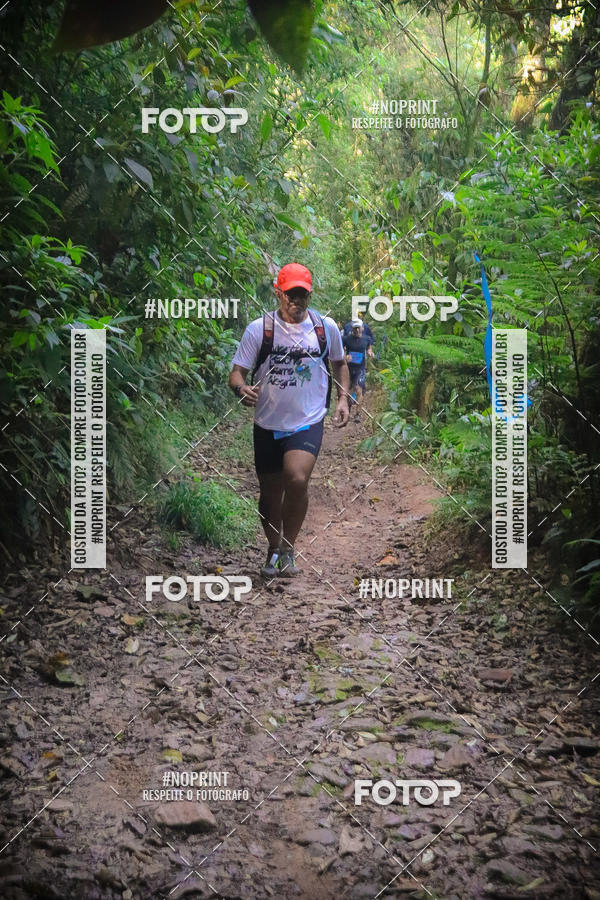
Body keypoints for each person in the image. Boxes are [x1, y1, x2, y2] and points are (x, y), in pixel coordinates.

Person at [229, 263, 350, 578]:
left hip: (307, 420)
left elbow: (339, 364)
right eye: (290, 296)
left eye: (302, 296)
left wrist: (342, 399)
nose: (296, 303)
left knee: (296, 479)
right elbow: (236, 372)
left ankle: (288, 547)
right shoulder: (260, 329)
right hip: (267, 423)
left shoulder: (326, 328)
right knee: (270, 490)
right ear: (277, 293)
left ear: (310, 295)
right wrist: (241, 389)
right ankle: (272, 548)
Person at [342, 320, 374, 421]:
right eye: (354, 327)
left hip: (360, 368)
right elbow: (341, 350)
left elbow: (369, 349)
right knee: (348, 390)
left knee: (358, 389)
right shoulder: (346, 339)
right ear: (352, 328)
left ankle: (358, 413)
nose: (356, 329)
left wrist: (370, 353)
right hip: (348, 368)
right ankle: (347, 412)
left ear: (362, 328)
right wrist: (345, 356)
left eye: (358, 327)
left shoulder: (367, 339)